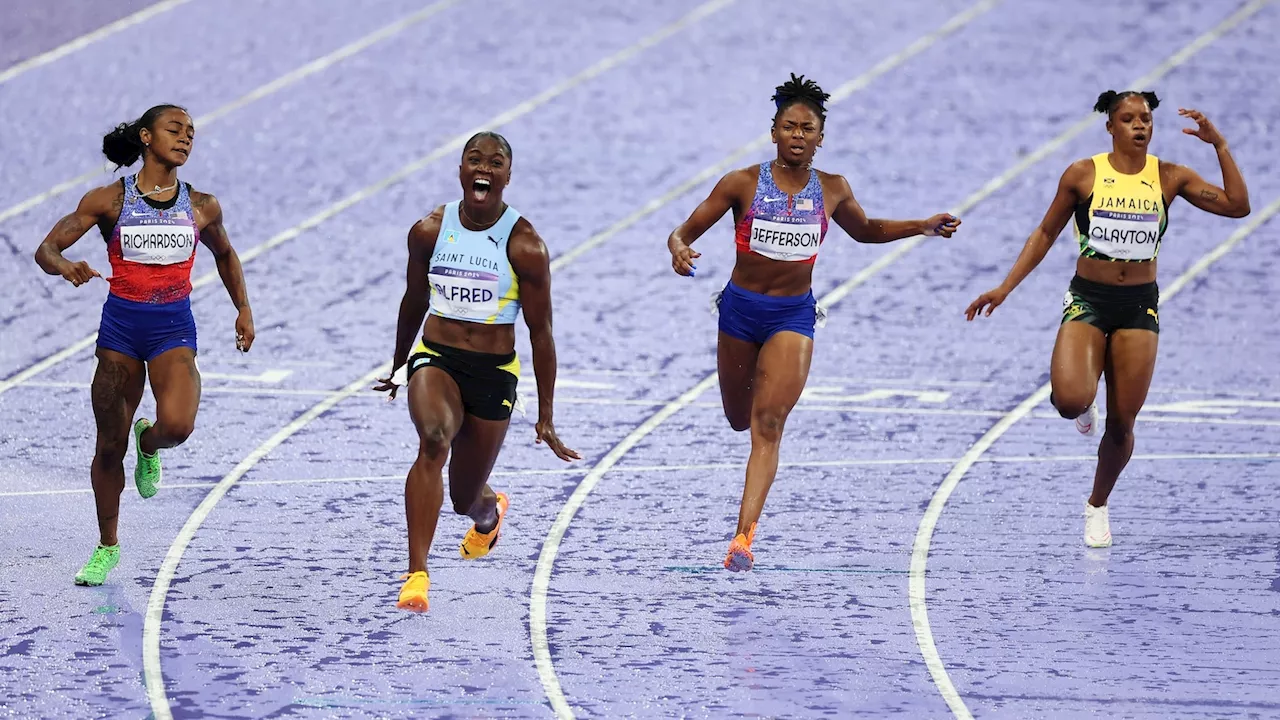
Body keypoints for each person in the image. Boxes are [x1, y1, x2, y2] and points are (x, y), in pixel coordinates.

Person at [666, 75, 960, 571]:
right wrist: (678, 248)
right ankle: (744, 521)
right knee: (739, 418)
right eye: (789, 126)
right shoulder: (740, 183)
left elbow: (865, 232)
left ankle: (742, 538)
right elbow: (683, 230)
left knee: (768, 424)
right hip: (739, 312)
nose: (798, 135)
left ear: (822, 136)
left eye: (808, 128)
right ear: (774, 132)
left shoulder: (833, 189)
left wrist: (920, 226)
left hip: (792, 317)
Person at [966, 91, 1250, 548]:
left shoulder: (1170, 177)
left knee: (1122, 424)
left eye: (1146, 119)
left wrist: (1219, 146)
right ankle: (1084, 395)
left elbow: (1238, 206)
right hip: (1089, 300)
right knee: (1070, 400)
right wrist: (1004, 288)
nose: (1140, 125)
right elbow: (1044, 233)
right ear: (1111, 127)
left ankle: (1097, 504)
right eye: (1129, 119)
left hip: (1140, 306)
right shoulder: (1083, 175)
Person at [34, 104, 255, 586]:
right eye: (174, 130)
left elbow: (225, 253)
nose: (185, 138)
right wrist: (66, 266)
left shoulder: (202, 206)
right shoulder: (109, 201)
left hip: (172, 328)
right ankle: (107, 546)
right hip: (120, 334)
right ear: (146, 137)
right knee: (107, 446)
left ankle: (149, 442)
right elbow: (46, 249)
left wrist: (243, 307)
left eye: (191, 133)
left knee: (177, 426)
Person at [376, 131, 579, 611]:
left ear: (508, 176)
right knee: (432, 439)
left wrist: (546, 414)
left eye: (495, 162)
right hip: (437, 357)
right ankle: (417, 575)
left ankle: (490, 514)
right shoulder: (429, 231)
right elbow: (414, 300)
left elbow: (542, 333)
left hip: (493, 373)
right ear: (461, 170)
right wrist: (399, 361)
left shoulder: (526, 245)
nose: (483, 168)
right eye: (474, 159)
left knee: (465, 497)